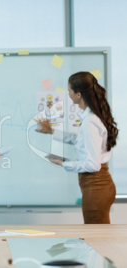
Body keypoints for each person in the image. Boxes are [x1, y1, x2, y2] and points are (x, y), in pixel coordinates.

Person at [36, 71, 119, 224]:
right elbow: (81, 140)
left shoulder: (90, 121)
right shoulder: (90, 117)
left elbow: (92, 165)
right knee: (96, 236)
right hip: (97, 184)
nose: (68, 94)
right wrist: (52, 131)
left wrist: (63, 162)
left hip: (96, 185)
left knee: (96, 239)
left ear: (78, 94)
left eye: (69, 91)